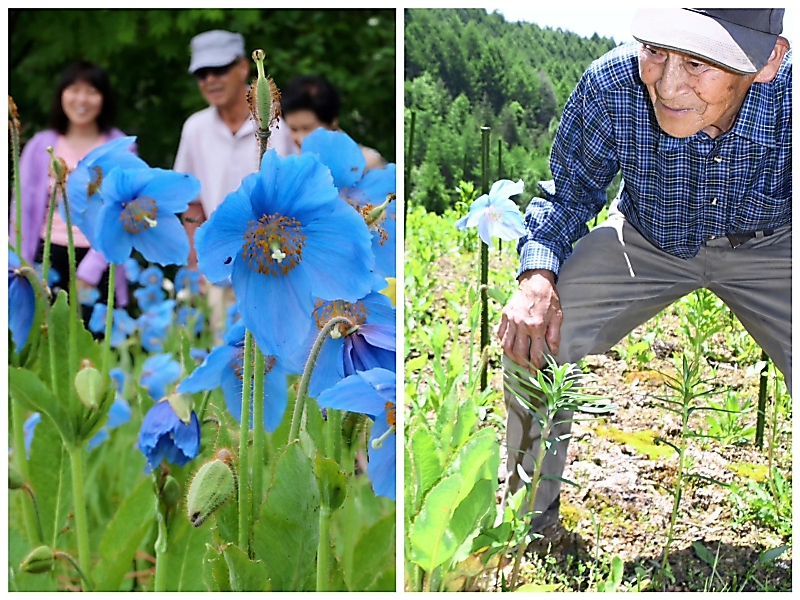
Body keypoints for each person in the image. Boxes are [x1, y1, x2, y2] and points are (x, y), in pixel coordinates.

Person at [497, 9, 790, 537]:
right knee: (536, 336)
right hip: (644, 240)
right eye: (656, 51)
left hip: (774, 247)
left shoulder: (792, 99)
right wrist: (536, 278)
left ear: (767, 61)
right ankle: (525, 528)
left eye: (699, 63)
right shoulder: (612, 83)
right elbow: (567, 195)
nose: (667, 84)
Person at [174, 30, 295, 336]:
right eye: (201, 74)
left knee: (276, 351)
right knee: (228, 348)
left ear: (243, 67)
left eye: (219, 70)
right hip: (221, 260)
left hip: (276, 258)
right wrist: (195, 259)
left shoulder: (280, 125)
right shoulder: (195, 128)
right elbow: (192, 202)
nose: (210, 80)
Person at [10, 61, 132, 322]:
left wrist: (91, 270)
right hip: (47, 254)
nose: (82, 100)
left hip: (99, 254)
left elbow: (125, 213)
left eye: (91, 91)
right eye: (74, 90)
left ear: (104, 98)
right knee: (47, 336)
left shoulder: (119, 146)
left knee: (94, 340)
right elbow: (20, 208)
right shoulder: (40, 146)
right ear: (61, 95)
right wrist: (16, 260)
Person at [281, 74, 385, 171]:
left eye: (307, 129)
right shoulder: (295, 167)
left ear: (332, 124)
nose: (300, 138)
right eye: (293, 129)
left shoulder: (367, 164)